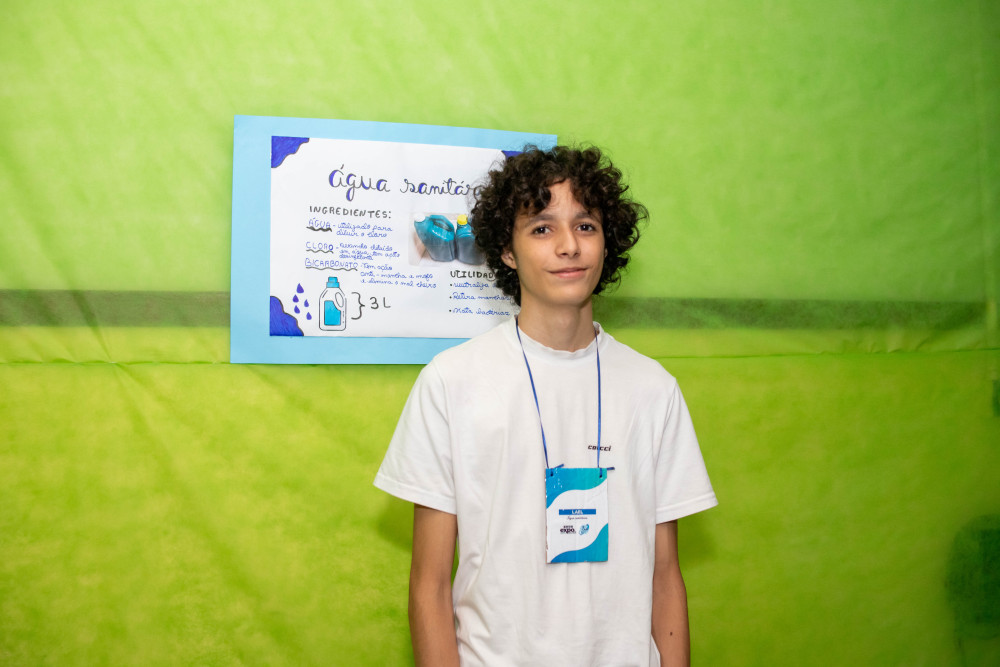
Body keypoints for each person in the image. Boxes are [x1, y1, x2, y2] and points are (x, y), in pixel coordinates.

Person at [374, 145, 717, 666]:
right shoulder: (450, 381)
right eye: (541, 228)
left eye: (585, 226)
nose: (568, 246)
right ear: (507, 251)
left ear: (607, 241)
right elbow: (429, 584)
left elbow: (665, 575)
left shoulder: (654, 388)